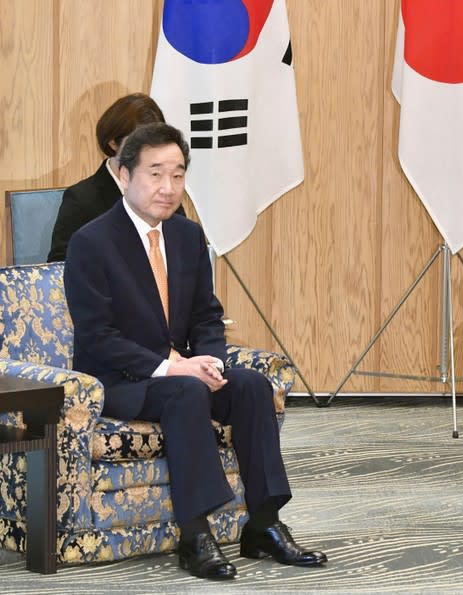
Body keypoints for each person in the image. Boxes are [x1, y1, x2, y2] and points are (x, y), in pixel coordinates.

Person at [63, 123, 326, 581]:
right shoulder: (91, 242)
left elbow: (207, 316)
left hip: (181, 368)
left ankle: (264, 523)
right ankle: (195, 534)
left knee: (249, 386)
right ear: (124, 176)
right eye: (155, 174)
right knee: (185, 391)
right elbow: (96, 336)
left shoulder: (187, 237)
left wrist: (212, 361)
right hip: (118, 380)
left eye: (178, 175)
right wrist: (173, 367)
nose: (168, 188)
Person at [48, 93, 186, 262]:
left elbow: (183, 259)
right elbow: (59, 268)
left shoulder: (166, 193)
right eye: (138, 143)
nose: (150, 153)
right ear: (113, 143)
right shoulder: (82, 199)